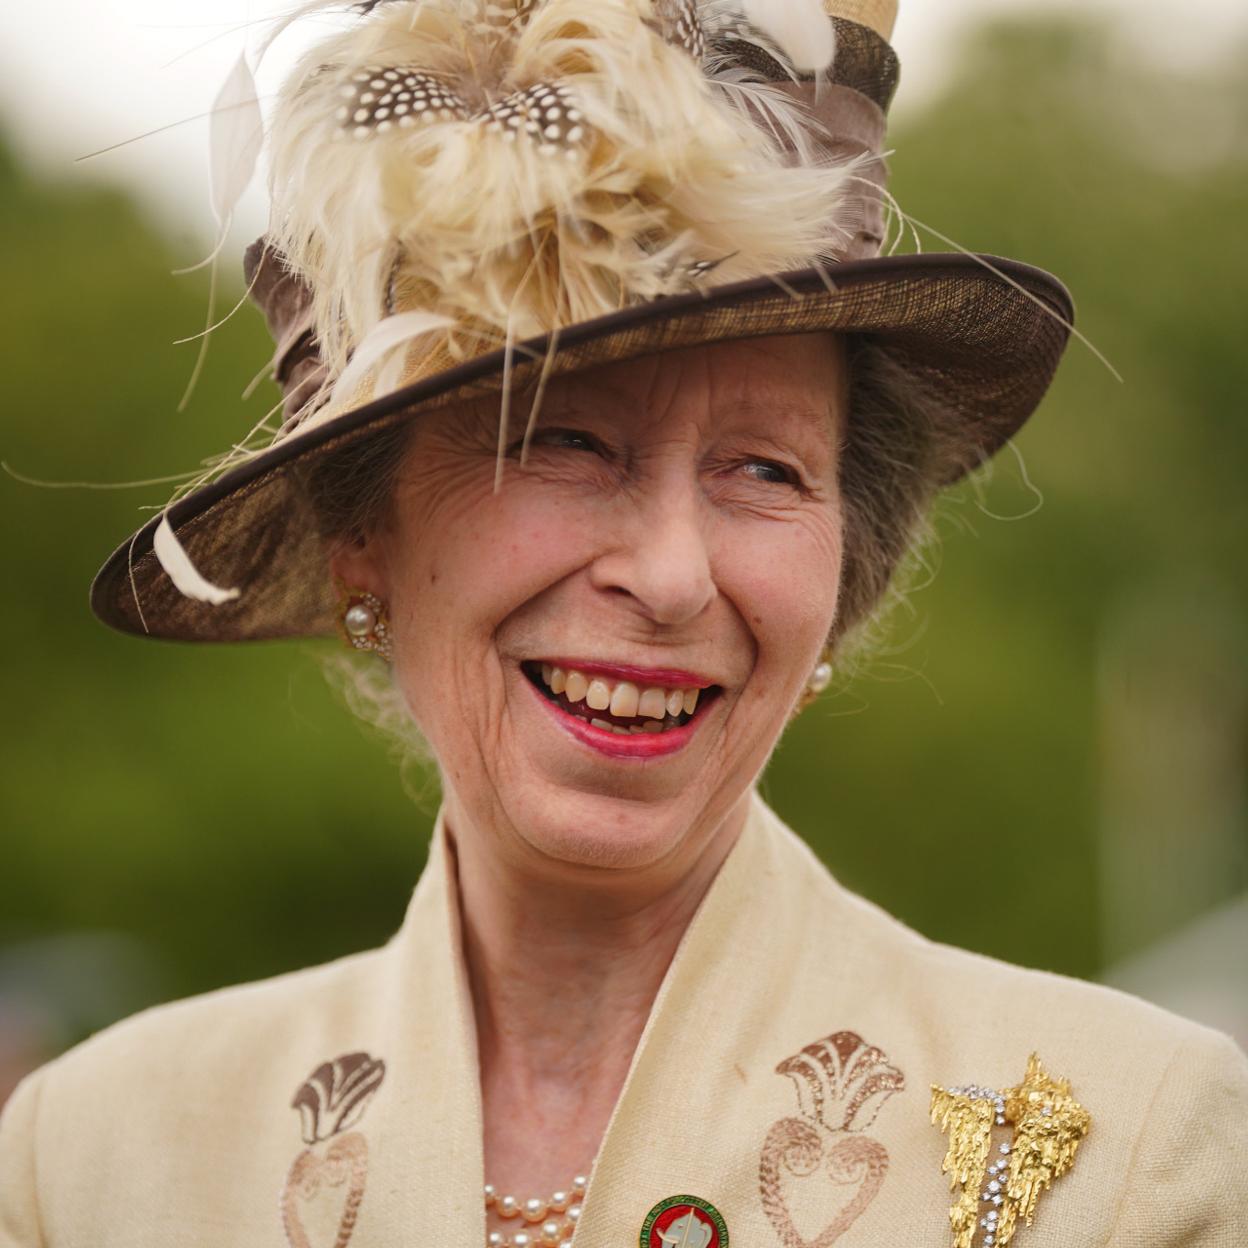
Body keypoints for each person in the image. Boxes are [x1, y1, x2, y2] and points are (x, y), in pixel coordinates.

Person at [2, 1, 1245, 1245]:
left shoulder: (1135, 1153)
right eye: (565, 440)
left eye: (764, 470)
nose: (670, 575)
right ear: (362, 534)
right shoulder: (94, 1161)